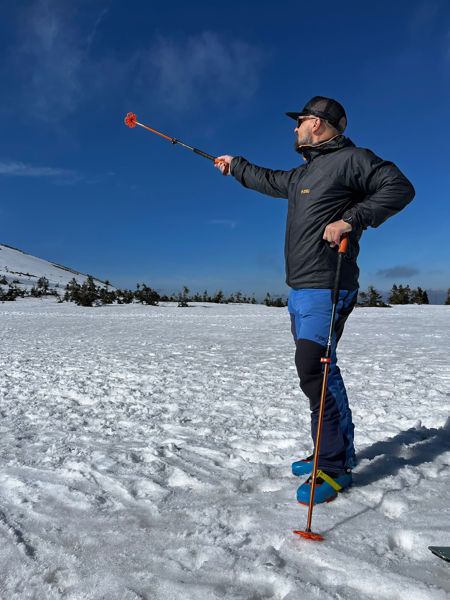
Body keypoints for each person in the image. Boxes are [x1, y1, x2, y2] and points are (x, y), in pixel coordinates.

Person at [214, 96, 415, 504]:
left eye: (300, 121)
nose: (295, 128)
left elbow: (399, 187)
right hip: (302, 288)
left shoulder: (353, 159)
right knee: (314, 375)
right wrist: (235, 165)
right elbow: (269, 180)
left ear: (319, 125)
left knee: (315, 369)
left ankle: (336, 466)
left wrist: (351, 219)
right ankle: (330, 450)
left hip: (329, 282)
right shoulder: (306, 171)